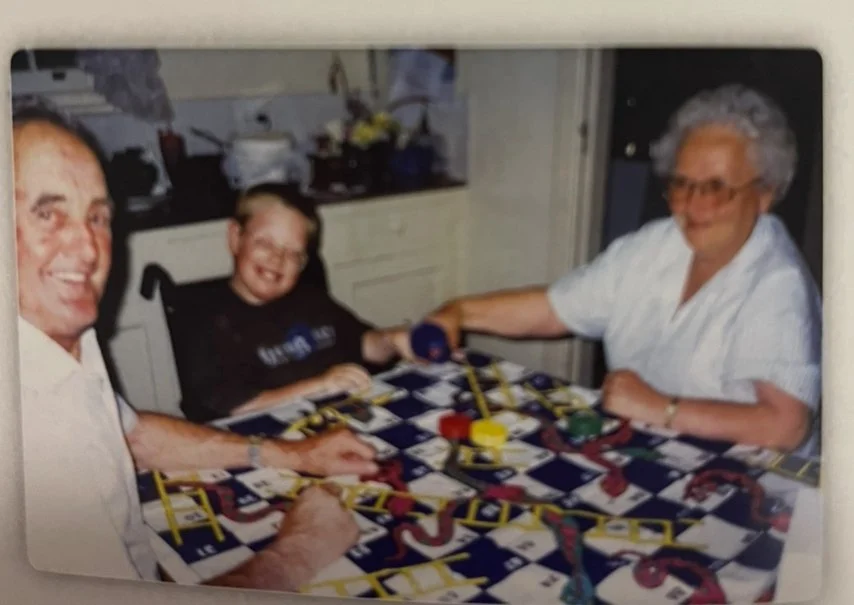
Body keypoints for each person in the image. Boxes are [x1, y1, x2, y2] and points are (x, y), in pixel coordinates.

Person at [13, 100, 380, 590]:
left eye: (98, 217)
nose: (87, 248)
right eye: (48, 214)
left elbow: (132, 434)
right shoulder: (26, 431)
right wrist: (300, 549)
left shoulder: (58, 335)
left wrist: (295, 454)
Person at [411, 84, 821, 454]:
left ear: (765, 193)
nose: (694, 204)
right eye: (681, 184)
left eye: (716, 187)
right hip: (650, 457)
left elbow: (786, 426)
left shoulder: (777, 284)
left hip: (750, 489)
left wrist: (662, 407)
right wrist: (460, 311)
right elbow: (554, 308)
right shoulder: (656, 243)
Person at [177, 183, 412, 423]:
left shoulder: (310, 299)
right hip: (257, 442)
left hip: (330, 425)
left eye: (292, 253)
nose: (277, 259)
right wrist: (322, 385)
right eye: (265, 243)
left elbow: (364, 345)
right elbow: (235, 406)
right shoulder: (205, 319)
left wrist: (392, 340)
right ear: (235, 238)